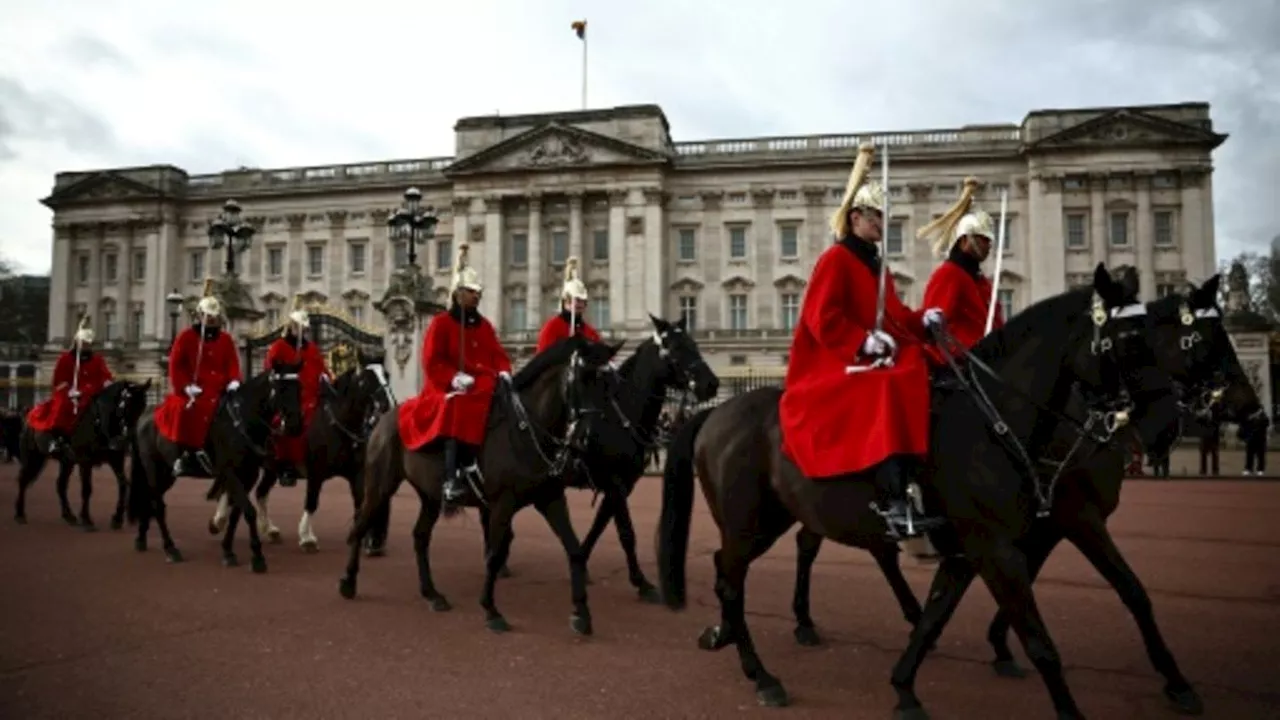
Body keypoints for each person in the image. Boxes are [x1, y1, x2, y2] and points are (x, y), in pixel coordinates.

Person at [778, 141, 946, 540]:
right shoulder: (836, 259)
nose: (880, 224)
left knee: (921, 365)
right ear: (855, 217)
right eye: (875, 216)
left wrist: (925, 319)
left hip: (870, 353)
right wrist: (863, 342)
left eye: (882, 217)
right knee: (889, 384)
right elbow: (821, 318)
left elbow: (896, 317)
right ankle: (893, 499)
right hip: (833, 361)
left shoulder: (876, 265)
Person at [397, 242, 512, 507]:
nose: (477, 296)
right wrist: (453, 378)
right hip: (445, 386)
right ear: (458, 294)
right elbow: (432, 361)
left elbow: (497, 355)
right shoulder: (442, 324)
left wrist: (505, 372)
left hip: (482, 382)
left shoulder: (483, 326)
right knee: (457, 403)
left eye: (478, 292)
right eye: (471, 292)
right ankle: (452, 475)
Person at [154, 279, 243, 477]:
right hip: (195, 390)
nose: (211, 320)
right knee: (187, 411)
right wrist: (186, 387)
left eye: (214, 317)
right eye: (208, 316)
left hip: (219, 389)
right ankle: (186, 454)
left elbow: (232, 363)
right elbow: (176, 366)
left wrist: (234, 380)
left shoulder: (226, 339)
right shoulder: (186, 337)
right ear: (200, 316)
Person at [918, 176, 1004, 354]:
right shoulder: (949, 274)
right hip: (961, 361)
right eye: (983, 239)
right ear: (965, 240)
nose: (988, 245)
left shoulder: (982, 282)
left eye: (989, 241)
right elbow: (936, 331)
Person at [264, 295, 329, 487]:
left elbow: (321, 369)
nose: (303, 332)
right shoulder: (279, 347)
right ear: (292, 327)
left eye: (305, 329)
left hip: (312, 397)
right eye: (300, 328)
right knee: (285, 424)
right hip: (289, 398)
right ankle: (286, 465)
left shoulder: (312, 349)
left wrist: (326, 377)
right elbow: (271, 370)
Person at [27, 317, 114, 456]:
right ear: (77, 342)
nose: (86, 345)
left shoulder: (97, 359)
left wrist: (107, 382)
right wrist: (70, 391)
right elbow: (59, 380)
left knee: (107, 409)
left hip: (92, 393)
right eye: (84, 343)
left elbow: (105, 376)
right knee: (62, 406)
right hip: (70, 394)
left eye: (88, 343)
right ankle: (57, 438)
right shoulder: (66, 359)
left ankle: (108, 439)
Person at [536, 256, 601, 353]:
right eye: (574, 300)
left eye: (581, 301)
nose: (578, 304)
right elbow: (542, 358)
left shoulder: (591, 333)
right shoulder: (551, 328)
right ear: (565, 302)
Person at [1241, 408, 1270, 476]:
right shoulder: (1249, 415)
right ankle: (1248, 469)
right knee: (1249, 455)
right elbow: (1245, 424)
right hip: (1251, 438)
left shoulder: (1263, 416)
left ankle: (1260, 469)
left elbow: (1266, 424)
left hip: (1260, 438)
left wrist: (1258, 420)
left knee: (1261, 455)